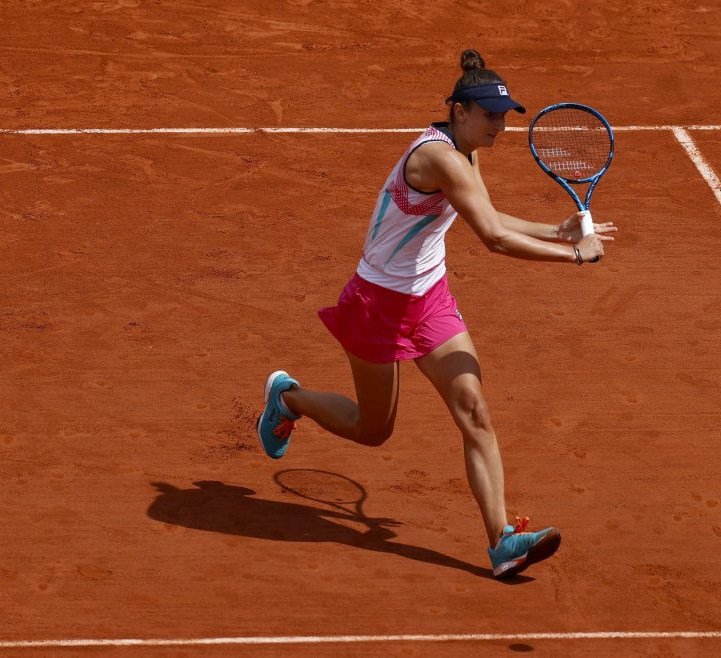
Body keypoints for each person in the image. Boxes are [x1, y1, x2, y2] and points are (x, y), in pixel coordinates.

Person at [256, 49, 616, 579]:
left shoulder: (465, 153)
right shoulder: (439, 158)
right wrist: (575, 256)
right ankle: (288, 398)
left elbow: (488, 213)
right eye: (491, 116)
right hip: (377, 302)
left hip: (428, 298)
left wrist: (554, 229)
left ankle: (502, 543)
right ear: (461, 112)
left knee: (475, 410)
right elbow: (492, 238)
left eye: (504, 116)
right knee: (373, 429)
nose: (499, 126)